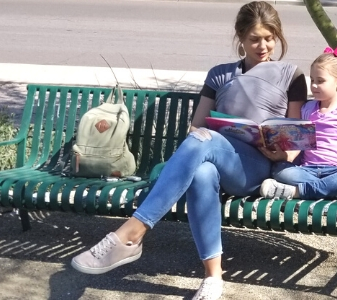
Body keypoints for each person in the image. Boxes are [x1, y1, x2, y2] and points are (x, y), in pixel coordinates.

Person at [70, 2, 307, 300]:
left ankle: (132, 232)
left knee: (202, 143)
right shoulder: (220, 75)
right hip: (218, 158)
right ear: (241, 38)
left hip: (257, 168)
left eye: (269, 38)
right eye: (255, 39)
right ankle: (212, 278)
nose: (263, 46)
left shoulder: (291, 74)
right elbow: (196, 127)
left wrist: (281, 154)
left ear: (278, 37)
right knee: (202, 171)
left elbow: (295, 134)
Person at [260, 42, 337, 202]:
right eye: (312, 80)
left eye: (320, 81)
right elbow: (297, 141)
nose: (314, 85)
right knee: (280, 171)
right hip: (307, 171)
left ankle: (296, 192)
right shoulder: (307, 109)